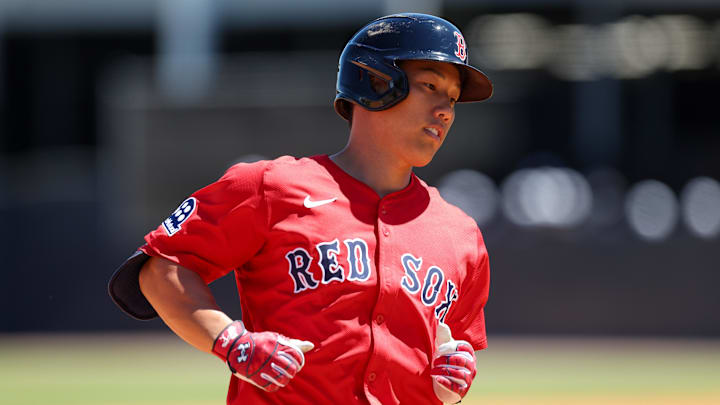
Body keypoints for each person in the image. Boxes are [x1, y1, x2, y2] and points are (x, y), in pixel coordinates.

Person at [108, 13, 492, 405]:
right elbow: (161, 270)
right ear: (376, 80)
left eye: (454, 98)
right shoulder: (272, 187)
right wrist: (230, 341)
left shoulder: (461, 234)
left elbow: (455, 344)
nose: (446, 109)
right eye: (430, 85)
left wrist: (454, 369)